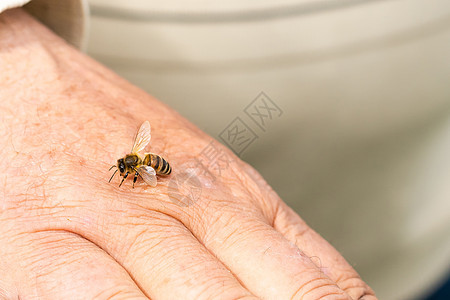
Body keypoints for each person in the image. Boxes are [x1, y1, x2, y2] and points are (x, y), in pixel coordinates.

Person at [0, 4, 376, 300]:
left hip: (409, 208)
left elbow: (143, 167)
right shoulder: (135, 158)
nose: (122, 171)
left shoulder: (138, 166)